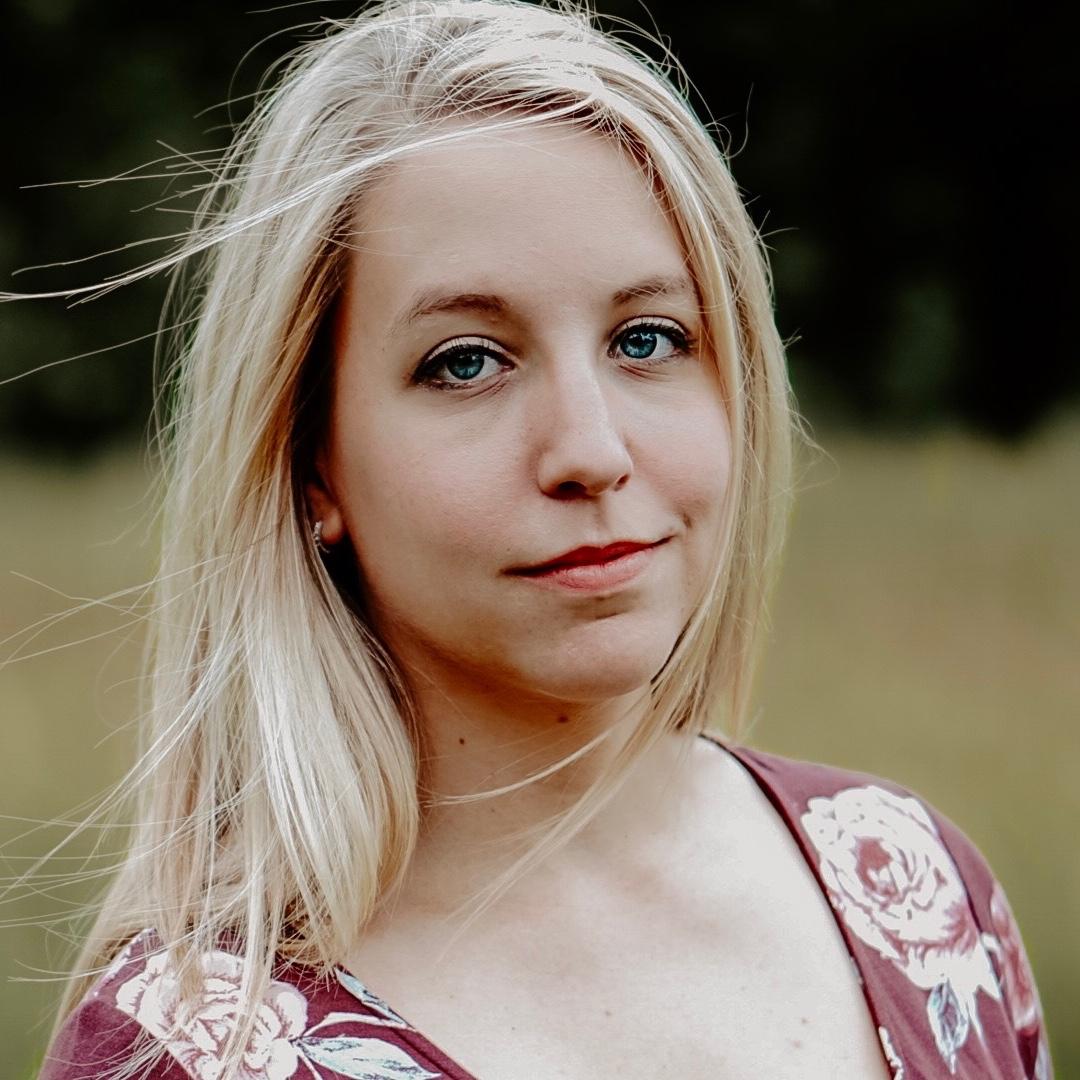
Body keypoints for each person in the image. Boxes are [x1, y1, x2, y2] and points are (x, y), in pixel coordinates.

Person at [32, 1, 1050, 1077]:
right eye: (466, 361)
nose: (591, 451)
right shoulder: (190, 1047)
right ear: (311, 461)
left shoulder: (918, 894)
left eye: (647, 339)